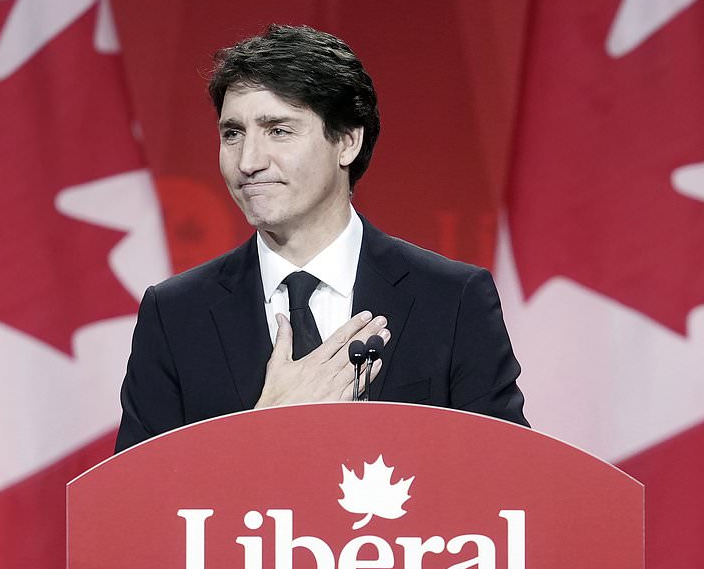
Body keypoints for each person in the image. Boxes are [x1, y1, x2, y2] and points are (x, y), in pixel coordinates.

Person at [114, 24, 526, 452]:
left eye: (279, 130)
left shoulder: (451, 300)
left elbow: (507, 482)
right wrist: (264, 426)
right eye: (232, 133)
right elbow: (135, 505)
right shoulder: (178, 315)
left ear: (347, 142)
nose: (248, 161)